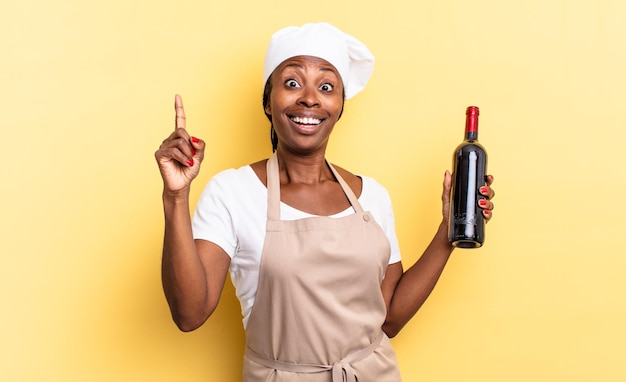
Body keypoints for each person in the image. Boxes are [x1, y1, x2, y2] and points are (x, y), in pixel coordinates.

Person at [155, 22, 495, 382]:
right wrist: (175, 197)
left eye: (327, 86)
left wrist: (448, 232)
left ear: (338, 106)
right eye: (292, 82)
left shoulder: (372, 195)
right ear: (268, 102)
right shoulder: (233, 192)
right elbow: (189, 315)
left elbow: (391, 317)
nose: (309, 98)